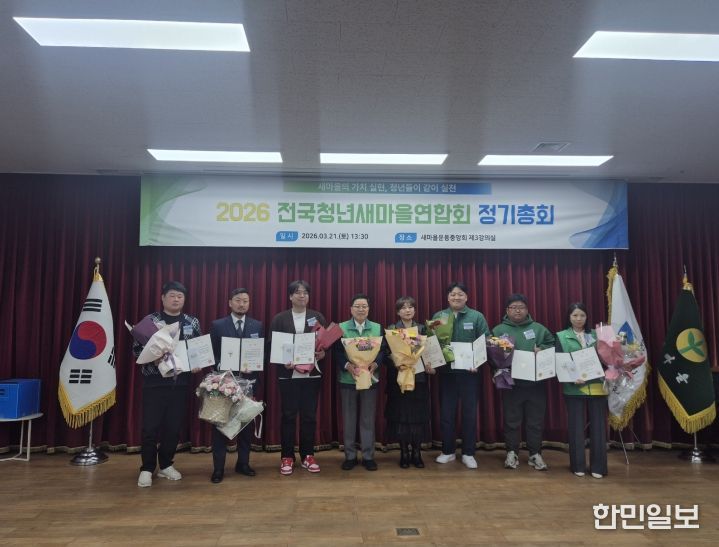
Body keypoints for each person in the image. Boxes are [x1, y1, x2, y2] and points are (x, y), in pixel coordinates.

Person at [133, 281, 202, 488]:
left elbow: (198, 349)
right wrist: (153, 357)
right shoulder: (151, 321)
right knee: (150, 427)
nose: (176, 299)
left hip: (180, 382)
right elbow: (136, 349)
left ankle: (165, 465)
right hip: (154, 382)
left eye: (180, 296)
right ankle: (147, 468)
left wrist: (197, 363)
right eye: (172, 295)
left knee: (173, 426)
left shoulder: (192, 322)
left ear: (184, 300)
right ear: (163, 298)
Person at [268, 280, 327, 475]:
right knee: (288, 416)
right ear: (290, 296)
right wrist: (282, 360)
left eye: (305, 292)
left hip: (312, 375)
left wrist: (323, 353)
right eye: (298, 292)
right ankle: (287, 456)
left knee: (309, 416)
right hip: (288, 376)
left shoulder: (317, 317)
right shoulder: (279, 319)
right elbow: (272, 345)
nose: (302, 295)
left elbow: (324, 343)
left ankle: (308, 455)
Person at [492, 293, 555, 471]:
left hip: (536, 384)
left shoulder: (538, 329)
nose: (517, 311)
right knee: (511, 421)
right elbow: (491, 356)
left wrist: (542, 349)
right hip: (511, 384)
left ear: (527, 310)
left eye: (521, 307)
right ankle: (511, 452)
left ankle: (535, 454)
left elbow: (553, 346)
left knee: (535, 421)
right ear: (507, 310)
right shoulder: (498, 330)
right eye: (513, 307)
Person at [208, 288, 264, 483]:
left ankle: (243, 463)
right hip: (224, 383)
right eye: (238, 300)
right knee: (220, 425)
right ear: (230, 302)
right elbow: (212, 354)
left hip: (248, 383)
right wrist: (222, 366)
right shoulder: (218, 325)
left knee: (245, 424)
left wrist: (255, 365)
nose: (242, 304)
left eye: (245, 301)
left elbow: (260, 353)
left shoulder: (257, 325)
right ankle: (218, 468)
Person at [432, 282, 490, 469]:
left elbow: (486, 341)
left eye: (460, 294)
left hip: (469, 374)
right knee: (446, 414)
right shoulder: (439, 316)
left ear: (466, 297)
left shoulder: (476, 316)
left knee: (469, 414)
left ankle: (468, 453)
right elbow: (432, 342)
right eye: (453, 294)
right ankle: (448, 451)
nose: (456, 297)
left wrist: (477, 362)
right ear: (448, 297)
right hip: (446, 373)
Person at [556, 302, 607, 479]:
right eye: (575, 315)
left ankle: (598, 467)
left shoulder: (597, 335)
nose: (579, 319)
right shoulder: (561, 336)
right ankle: (577, 465)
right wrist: (572, 377)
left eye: (582, 315)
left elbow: (607, 359)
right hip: (574, 388)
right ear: (569, 317)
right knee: (576, 427)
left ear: (587, 317)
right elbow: (560, 361)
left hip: (598, 386)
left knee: (598, 428)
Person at [335, 293, 386, 471]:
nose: (361, 309)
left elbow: (383, 350)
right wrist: (347, 365)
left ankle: (368, 456)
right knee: (349, 419)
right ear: (351, 309)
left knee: (367, 418)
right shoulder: (341, 327)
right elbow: (337, 352)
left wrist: (376, 363)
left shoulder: (377, 328)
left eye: (364, 306)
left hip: (369, 379)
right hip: (348, 379)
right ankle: (350, 456)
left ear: (369, 309)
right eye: (357, 306)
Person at [385, 296, 433, 469]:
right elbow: (385, 354)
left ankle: (417, 452)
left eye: (410, 307)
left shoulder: (422, 329)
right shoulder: (392, 329)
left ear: (414, 310)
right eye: (403, 307)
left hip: (419, 379)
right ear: (398, 312)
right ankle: (404, 452)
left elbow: (429, 352)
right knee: (402, 418)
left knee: (417, 418)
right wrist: (396, 362)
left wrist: (431, 365)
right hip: (399, 380)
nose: (407, 310)